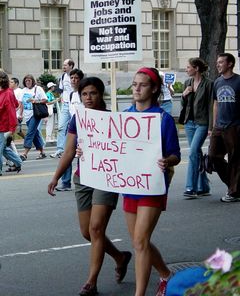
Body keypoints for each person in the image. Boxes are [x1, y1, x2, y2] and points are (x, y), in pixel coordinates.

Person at [48, 77, 132, 296]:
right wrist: (56, 177)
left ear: (100, 94)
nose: (88, 98)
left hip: (106, 177)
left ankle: (91, 282)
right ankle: (120, 257)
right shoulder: (78, 119)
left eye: (93, 93)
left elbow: (124, 150)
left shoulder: (113, 118)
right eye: (84, 94)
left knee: (96, 228)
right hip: (83, 177)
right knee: (87, 232)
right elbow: (68, 151)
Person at [123, 67, 181, 296]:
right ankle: (166, 274)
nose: (136, 88)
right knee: (139, 242)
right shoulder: (125, 115)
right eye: (134, 84)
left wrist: (167, 161)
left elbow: (176, 154)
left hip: (152, 186)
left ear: (154, 88)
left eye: (142, 84)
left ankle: (139, 293)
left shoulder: (163, 119)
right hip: (128, 184)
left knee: (140, 241)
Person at [209, 53, 240, 203]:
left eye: (221, 62)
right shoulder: (217, 82)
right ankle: (234, 186)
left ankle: (234, 191)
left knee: (235, 160)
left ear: (230, 64)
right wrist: (214, 125)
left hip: (234, 126)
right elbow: (216, 103)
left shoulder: (239, 81)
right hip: (219, 127)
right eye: (217, 62)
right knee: (214, 157)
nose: (218, 64)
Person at [181, 58, 213, 198]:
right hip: (189, 123)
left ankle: (191, 187)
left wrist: (211, 126)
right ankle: (204, 186)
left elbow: (211, 106)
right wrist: (184, 94)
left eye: (189, 67)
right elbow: (184, 104)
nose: (186, 69)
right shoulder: (187, 83)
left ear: (197, 68)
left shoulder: (208, 84)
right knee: (197, 154)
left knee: (193, 152)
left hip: (202, 123)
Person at [55, 68, 84, 192]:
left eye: (76, 78)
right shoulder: (71, 94)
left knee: (82, 156)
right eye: (72, 78)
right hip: (73, 129)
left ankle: (84, 181)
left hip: (84, 129)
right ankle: (65, 183)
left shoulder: (84, 94)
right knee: (67, 154)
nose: (74, 80)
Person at [19, 74, 48, 161]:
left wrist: (35, 101)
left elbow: (45, 100)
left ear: (32, 81)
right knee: (35, 133)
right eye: (26, 81)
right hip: (26, 115)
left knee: (30, 132)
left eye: (29, 80)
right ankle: (42, 152)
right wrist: (20, 114)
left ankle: (25, 153)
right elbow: (21, 104)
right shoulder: (23, 90)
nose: (27, 82)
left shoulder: (38, 89)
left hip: (35, 114)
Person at [50, 59, 74, 158]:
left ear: (71, 66)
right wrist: (61, 98)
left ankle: (76, 149)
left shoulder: (76, 76)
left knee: (76, 128)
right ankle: (60, 149)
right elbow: (61, 90)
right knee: (61, 127)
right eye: (63, 65)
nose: (63, 67)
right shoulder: (63, 76)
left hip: (75, 105)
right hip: (65, 105)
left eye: (65, 65)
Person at [0, 71, 22, 176]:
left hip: (3, 126)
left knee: (1, 148)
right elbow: (16, 104)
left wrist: (12, 129)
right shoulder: (5, 92)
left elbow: (12, 111)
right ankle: (18, 162)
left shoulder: (7, 93)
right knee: (3, 149)